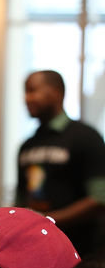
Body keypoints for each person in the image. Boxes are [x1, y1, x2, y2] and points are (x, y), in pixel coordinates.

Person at [17, 70, 105, 257]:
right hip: (36, 249)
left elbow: (99, 198)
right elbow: (20, 199)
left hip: (80, 251)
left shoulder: (86, 137)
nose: (27, 98)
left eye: (33, 91)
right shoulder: (27, 145)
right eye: (25, 92)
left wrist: (47, 220)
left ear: (57, 93)